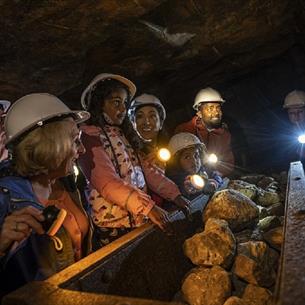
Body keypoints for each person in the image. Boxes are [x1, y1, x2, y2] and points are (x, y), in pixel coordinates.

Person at [79, 73, 190, 248]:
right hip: (113, 225)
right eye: (116, 102)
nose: (122, 109)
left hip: (139, 218)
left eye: (124, 103)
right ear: (99, 103)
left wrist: (175, 195)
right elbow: (107, 182)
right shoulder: (88, 137)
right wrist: (147, 207)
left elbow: (148, 171)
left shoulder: (123, 135)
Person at [0, 93, 92, 296]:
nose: (83, 149)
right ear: (51, 144)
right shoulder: (5, 197)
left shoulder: (69, 183)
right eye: (75, 141)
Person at [175, 87, 234, 176]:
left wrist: (216, 177)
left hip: (216, 180)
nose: (216, 112)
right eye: (210, 108)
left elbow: (228, 163)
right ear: (199, 112)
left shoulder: (224, 135)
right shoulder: (184, 130)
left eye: (218, 108)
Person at [165, 132, 222, 200]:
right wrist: (187, 190)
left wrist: (214, 183)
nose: (194, 161)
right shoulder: (175, 180)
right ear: (176, 162)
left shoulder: (203, 170)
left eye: (196, 155)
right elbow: (181, 190)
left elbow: (217, 176)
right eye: (187, 157)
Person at [128, 93, 168, 169]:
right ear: (133, 124)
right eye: (140, 116)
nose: (146, 122)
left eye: (152, 116)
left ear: (161, 123)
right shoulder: (128, 154)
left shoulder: (172, 152)